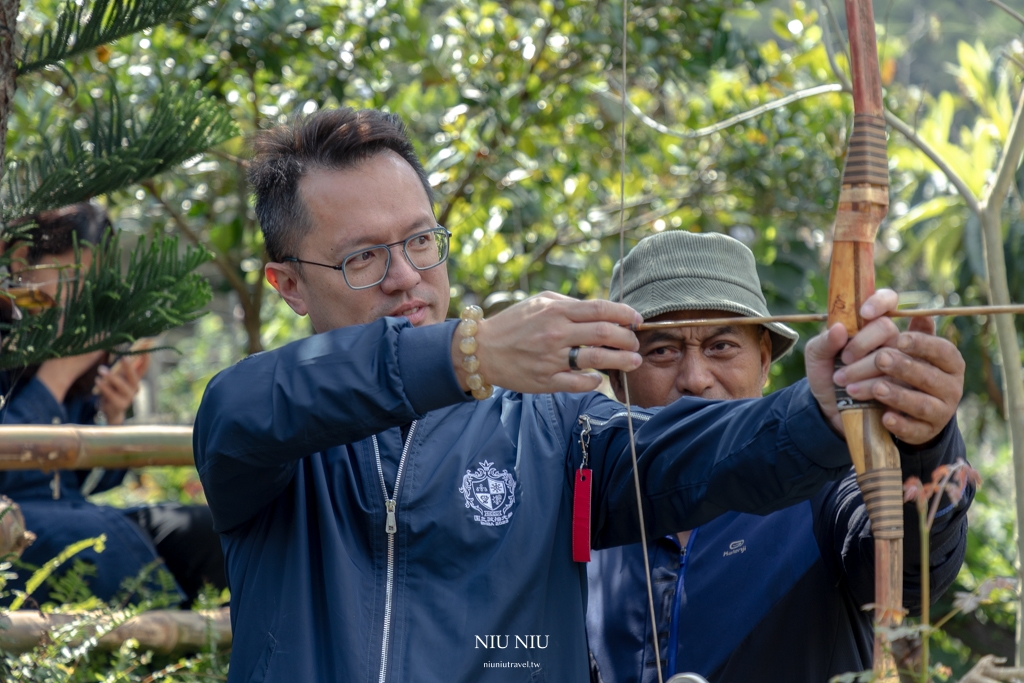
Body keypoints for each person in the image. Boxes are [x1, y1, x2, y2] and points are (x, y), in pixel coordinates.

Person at [193, 107, 963, 683]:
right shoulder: (269, 436)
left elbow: (689, 451)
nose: (405, 276)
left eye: (421, 239)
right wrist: (469, 351)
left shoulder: (555, 430)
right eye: (363, 256)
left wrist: (823, 406)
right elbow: (248, 407)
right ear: (287, 284)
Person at [586, 231, 971, 683]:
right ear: (617, 379)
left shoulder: (824, 488)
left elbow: (910, 571)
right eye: (662, 351)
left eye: (721, 347)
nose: (695, 378)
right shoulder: (585, 511)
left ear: (765, 360)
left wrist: (923, 442)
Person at [0, 203, 226, 606]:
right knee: (96, 530)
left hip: (70, 512)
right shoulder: (17, 334)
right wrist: (56, 378)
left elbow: (91, 483)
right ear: (20, 261)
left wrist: (111, 416)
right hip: (19, 523)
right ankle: (166, 647)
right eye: (67, 274)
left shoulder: (65, 339)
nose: (75, 297)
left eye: (87, 283)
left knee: (202, 529)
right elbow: (15, 479)